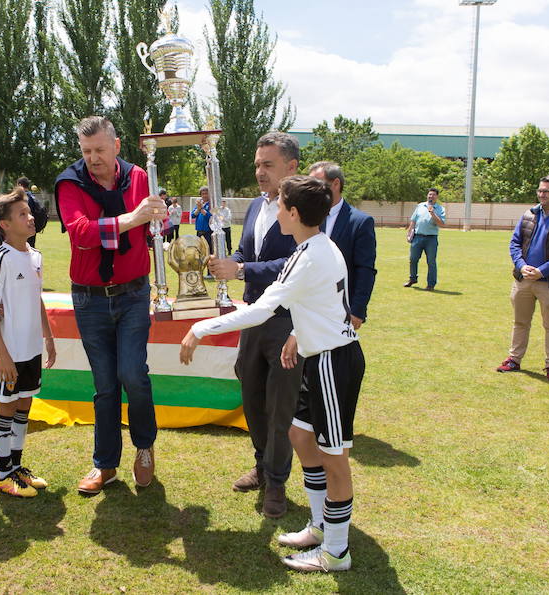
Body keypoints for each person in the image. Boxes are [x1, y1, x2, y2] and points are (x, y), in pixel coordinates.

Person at [181, 175, 364, 573]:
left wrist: (200, 328)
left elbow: (263, 309)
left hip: (334, 362)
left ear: (294, 213)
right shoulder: (316, 247)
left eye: (280, 204)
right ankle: (319, 525)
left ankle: (336, 551)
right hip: (318, 356)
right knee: (300, 434)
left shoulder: (312, 254)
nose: (275, 209)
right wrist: (298, 334)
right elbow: (330, 302)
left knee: (335, 460)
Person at [55, 115, 167, 494]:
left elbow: (156, 227)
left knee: (133, 375)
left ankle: (145, 448)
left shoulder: (139, 178)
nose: (93, 158)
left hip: (134, 292)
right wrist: (133, 217)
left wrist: (160, 218)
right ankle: (105, 464)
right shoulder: (69, 182)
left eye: (100, 149)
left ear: (116, 146)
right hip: (89, 297)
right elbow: (81, 233)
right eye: (86, 151)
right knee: (104, 385)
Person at [206, 132, 302, 518]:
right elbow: (249, 250)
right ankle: (263, 466)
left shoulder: (303, 209)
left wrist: (242, 268)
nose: (260, 172)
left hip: (286, 320)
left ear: (291, 167)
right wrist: (226, 261)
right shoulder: (256, 208)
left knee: (280, 404)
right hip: (253, 317)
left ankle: (277, 483)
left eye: (268, 165)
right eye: (257, 165)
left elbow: (296, 264)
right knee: (252, 395)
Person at [0, 188, 57, 497]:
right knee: (7, 405)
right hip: (8, 350)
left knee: (24, 403)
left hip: (31, 347)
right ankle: (2, 474)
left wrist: (49, 336)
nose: (30, 218)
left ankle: (16, 466)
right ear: (5, 225)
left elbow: (36, 297)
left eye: (29, 213)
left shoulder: (35, 255)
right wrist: (4, 355)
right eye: (22, 215)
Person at [497, 174, 549, 381]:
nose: (541, 194)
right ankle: (514, 360)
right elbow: (515, 243)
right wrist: (522, 266)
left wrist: (542, 271)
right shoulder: (528, 215)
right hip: (523, 280)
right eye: (540, 190)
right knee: (520, 322)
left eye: (546, 191)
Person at [307, 161, 377, 329]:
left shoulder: (360, 222)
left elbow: (365, 269)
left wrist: (357, 310)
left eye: (317, 184)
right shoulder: (306, 217)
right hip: (307, 306)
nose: (311, 190)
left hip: (339, 310)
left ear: (336, 184)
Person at [403, 187, 446, 290]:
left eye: (433, 195)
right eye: (429, 194)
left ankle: (431, 284)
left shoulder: (440, 209)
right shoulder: (420, 206)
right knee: (413, 259)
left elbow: (441, 224)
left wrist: (432, 212)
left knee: (431, 262)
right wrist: (409, 233)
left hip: (431, 239)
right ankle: (413, 279)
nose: (431, 196)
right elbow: (413, 220)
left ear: (437, 197)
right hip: (417, 237)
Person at [17, 177, 48, 248]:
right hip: (33, 226)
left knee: (24, 249)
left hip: (25, 228)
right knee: (31, 249)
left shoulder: (24, 197)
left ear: (20, 185)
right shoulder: (33, 196)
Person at [192, 187, 213, 254]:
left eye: (206, 194)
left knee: (208, 251)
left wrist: (201, 209)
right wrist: (198, 209)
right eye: (202, 194)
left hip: (208, 232)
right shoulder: (199, 204)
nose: (204, 195)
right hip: (199, 231)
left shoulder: (211, 204)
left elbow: (211, 217)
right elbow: (192, 215)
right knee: (199, 251)